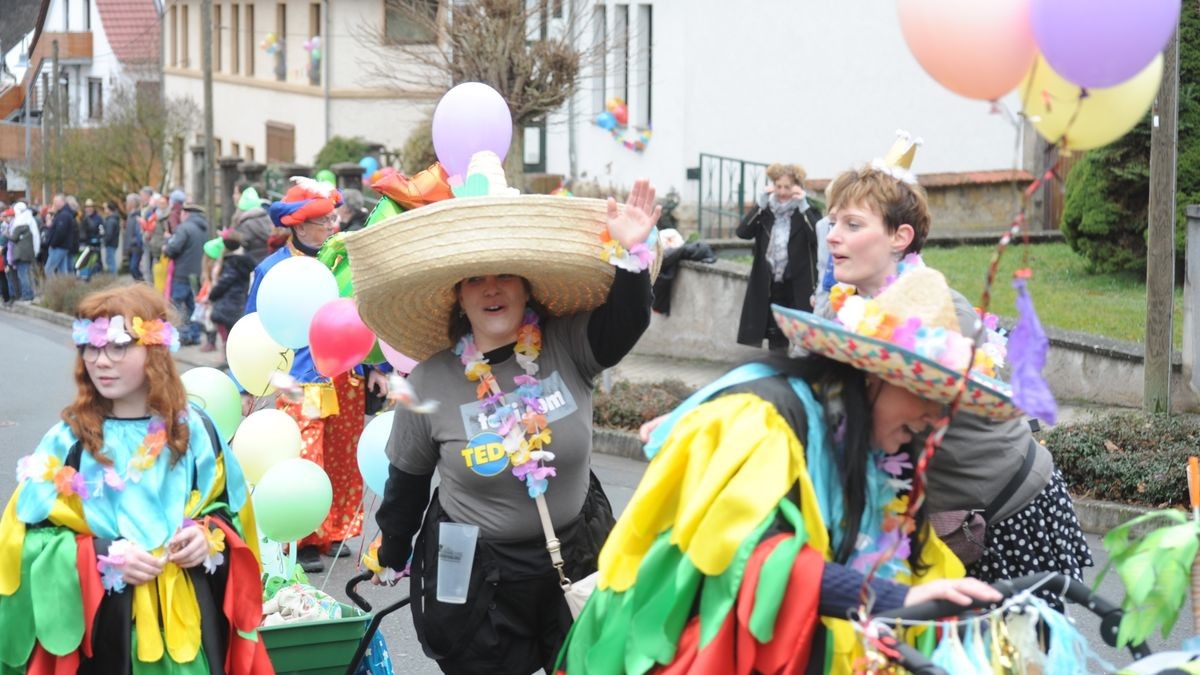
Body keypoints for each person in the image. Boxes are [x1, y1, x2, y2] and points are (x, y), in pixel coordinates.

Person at [556, 267, 1008, 673]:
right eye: (930, 395)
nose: (938, 417)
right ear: (875, 374)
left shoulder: (879, 453)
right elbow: (748, 557)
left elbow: (910, 562)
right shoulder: (760, 418)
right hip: (678, 649)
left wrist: (968, 627)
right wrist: (895, 601)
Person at [353, 173, 660, 675]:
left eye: (504, 276)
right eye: (475, 279)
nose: (491, 289)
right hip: (476, 575)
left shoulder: (567, 345)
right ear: (459, 296)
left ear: (526, 288)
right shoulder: (429, 380)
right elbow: (406, 482)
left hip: (574, 555)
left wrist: (630, 258)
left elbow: (626, 322)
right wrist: (393, 550)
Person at [818, 132, 1091, 603]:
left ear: (900, 238)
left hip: (1009, 516)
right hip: (943, 522)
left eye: (852, 223)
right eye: (832, 221)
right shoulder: (843, 310)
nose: (833, 235)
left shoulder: (939, 315)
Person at [0, 283, 271, 672]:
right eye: (91, 347)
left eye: (118, 346)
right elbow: (22, 542)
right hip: (103, 637)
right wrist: (98, 554)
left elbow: (230, 514)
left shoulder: (196, 434)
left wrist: (206, 537)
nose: (101, 361)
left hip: (186, 634)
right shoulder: (67, 441)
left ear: (154, 351)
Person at [241, 177, 389, 574]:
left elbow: (363, 315)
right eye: (325, 221)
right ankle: (304, 534)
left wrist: (378, 366)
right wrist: (245, 384)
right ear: (300, 226)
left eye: (334, 218)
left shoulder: (343, 262)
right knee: (306, 455)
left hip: (346, 373)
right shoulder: (271, 269)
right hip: (299, 378)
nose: (334, 226)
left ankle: (338, 529)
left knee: (344, 456)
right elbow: (250, 326)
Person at [736, 163, 823, 351]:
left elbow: (818, 238)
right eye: (778, 186)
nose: (782, 192)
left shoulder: (807, 211)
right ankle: (779, 370)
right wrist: (759, 206)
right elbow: (742, 232)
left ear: (797, 187)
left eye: (787, 187)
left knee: (803, 337)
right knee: (776, 334)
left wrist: (803, 207)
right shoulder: (765, 212)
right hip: (771, 283)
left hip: (799, 284)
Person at [163, 203, 209, 346]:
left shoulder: (184, 228)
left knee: (176, 306)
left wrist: (166, 245)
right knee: (193, 306)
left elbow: (173, 248)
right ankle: (194, 335)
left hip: (182, 274)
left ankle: (181, 335)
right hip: (197, 273)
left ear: (186, 214)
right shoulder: (204, 228)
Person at [208, 230, 254, 349]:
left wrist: (213, 295)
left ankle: (228, 356)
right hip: (240, 299)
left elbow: (225, 281)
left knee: (229, 331)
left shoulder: (234, 262)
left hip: (230, 301)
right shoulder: (246, 259)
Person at [231, 183, 273, 264]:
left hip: (252, 263)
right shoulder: (266, 215)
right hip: (268, 260)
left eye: (236, 193)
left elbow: (242, 243)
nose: (233, 196)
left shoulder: (245, 222)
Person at [8, 203, 37, 301]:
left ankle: (27, 294)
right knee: (27, 274)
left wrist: (6, 234)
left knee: (23, 275)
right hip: (29, 253)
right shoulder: (30, 221)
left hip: (21, 254)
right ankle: (29, 293)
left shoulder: (20, 223)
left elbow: (14, 237)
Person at [45, 194, 75, 276]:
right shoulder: (63, 214)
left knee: (48, 269)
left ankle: (53, 288)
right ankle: (64, 287)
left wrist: (52, 243)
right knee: (62, 270)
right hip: (62, 246)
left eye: (56, 202)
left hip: (59, 246)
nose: (54, 204)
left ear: (62, 202)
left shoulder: (63, 215)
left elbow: (60, 232)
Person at [78, 198, 104, 280]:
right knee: (85, 262)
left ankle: (97, 277)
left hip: (95, 245)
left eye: (90, 207)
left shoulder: (98, 218)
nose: (88, 209)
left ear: (93, 208)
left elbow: (101, 231)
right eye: (87, 207)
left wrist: (97, 238)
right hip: (85, 244)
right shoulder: (82, 218)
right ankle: (87, 278)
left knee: (96, 262)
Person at [124, 193, 145, 281]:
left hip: (135, 247)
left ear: (132, 204)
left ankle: (143, 286)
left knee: (134, 268)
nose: (126, 205)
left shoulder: (138, 216)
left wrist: (134, 242)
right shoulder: (129, 216)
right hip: (130, 248)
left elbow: (139, 233)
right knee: (132, 269)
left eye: (127, 202)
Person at [103, 200, 122, 275]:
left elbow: (109, 234)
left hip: (110, 244)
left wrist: (105, 241)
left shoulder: (111, 220)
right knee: (111, 261)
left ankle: (113, 278)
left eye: (105, 208)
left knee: (111, 262)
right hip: (113, 243)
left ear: (109, 209)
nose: (104, 210)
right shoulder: (114, 219)